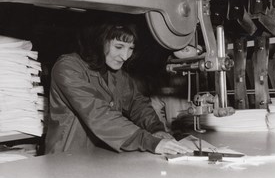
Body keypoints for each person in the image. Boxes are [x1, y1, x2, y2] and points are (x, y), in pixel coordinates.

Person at [45, 19, 192, 155]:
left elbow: (137, 103)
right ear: (99, 41)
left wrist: (156, 129)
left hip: (102, 157)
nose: (125, 56)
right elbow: (98, 114)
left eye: (131, 48)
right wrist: (148, 141)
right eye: (119, 46)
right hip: (67, 158)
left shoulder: (116, 74)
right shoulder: (67, 68)